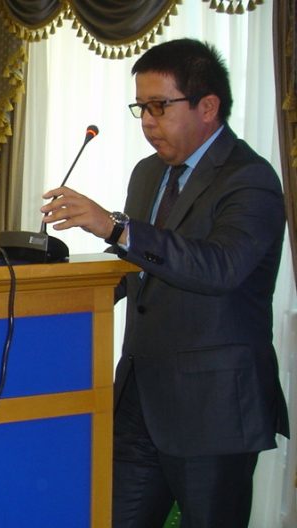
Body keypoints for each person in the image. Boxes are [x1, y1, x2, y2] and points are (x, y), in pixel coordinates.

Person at [39, 39, 288, 527]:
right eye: (141, 107)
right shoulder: (148, 173)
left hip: (211, 409)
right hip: (139, 396)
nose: (148, 122)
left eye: (159, 106)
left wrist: (116, 228)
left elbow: (220, 267)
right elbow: (137, 264)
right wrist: (53, 291)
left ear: (207, 107)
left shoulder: (250, 179)